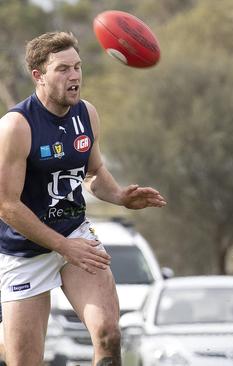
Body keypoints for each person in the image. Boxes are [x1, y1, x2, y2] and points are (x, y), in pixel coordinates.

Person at [0, 32, 166, 366]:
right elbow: (7, 205)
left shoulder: (86, 114)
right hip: (25, 252)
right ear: (38, 75)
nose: (74, 76)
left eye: (77, 67)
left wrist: (119, 195)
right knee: (25, 361)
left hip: (76, 234)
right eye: (62, 69)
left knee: (108, 334)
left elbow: (92, 172)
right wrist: (62, 246)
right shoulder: (16, 127)